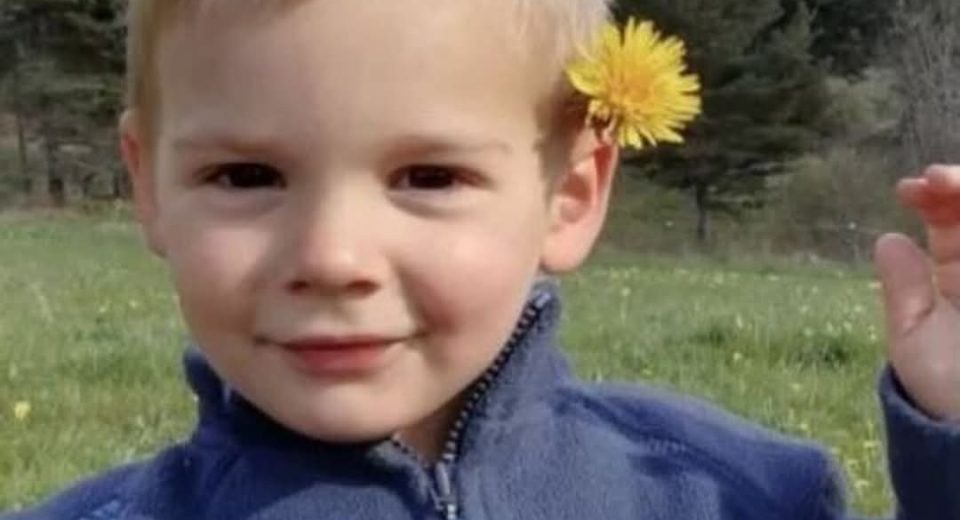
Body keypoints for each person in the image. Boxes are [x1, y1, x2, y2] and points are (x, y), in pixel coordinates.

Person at [4, 0, 959, 518]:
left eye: (428, 176)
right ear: (149, 185)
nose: (332, 257)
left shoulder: (734, 495)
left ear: (571, 194)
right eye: (247, 176)